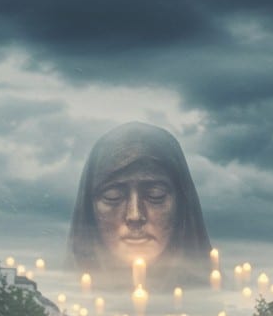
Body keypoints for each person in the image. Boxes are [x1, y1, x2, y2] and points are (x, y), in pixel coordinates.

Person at [68, 121, 212, 287]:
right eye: (113, 197)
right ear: (89, 207)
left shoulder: (214, 297)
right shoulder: (68, 293)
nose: (135, 215)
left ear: (182, 204)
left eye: (155, 195)